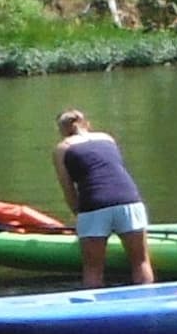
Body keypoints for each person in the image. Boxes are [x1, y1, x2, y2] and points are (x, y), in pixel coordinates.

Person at [53, 109, 153, 289]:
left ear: (62, 130)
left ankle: (95, 304)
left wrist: (79, 215)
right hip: (130, 199)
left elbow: (68, 190)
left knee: (93, 269)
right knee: (141, 262)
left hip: (95, 204)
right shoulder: (107, 138)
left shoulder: (62, 148)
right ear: (87, 124)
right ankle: (148, 302)